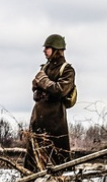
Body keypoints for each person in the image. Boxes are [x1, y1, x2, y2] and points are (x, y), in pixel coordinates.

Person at [25, 33, 77, 171]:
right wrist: (42, 87)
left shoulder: (67, 70)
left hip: (55, 120)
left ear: (56, 50)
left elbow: (60, 90)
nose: (44, 51)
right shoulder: (44, 68)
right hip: (38, 118)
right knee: (32, 160)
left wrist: (44, 82)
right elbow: (35, 89)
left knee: (57, 160)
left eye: (47, 48)